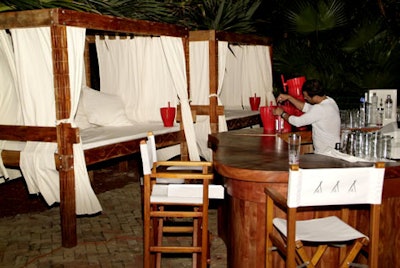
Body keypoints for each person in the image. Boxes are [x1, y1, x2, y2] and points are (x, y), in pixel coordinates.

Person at [273, 79, 341, 153]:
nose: (305, 98)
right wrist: (289, 98)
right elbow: (306, 107)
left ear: (315, 97)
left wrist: (282, 113)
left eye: (306, 97)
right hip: (333, 150)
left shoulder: (319, 109)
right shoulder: (330, 102)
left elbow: (297, 122)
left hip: (326, 153)